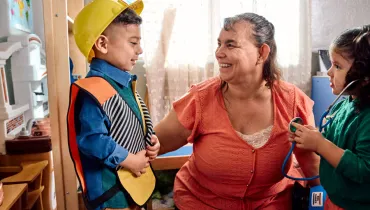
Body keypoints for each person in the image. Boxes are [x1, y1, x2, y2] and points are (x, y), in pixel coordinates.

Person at [154, 12, 319, 210]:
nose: (219, 53)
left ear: (262, 53)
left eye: (230, 44)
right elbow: (152, 144)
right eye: (219, 43)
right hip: (202, 203)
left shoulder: (293, 101)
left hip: (271, 204)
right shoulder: (200, 99)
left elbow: (311, 165)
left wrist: (325, 200)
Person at [66, 0, 160, 209]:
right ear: (102, 44)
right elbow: (91, 140)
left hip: (130, 188)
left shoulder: (123, 83)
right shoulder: (94, 90)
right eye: (133, 43)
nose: (140, 50)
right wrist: (129, 160)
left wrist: (152, 142)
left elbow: (132, 120)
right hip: (111, 194)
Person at [290, 25, 370, 210]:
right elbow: (334, 145)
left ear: (364, 77)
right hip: (334, 199)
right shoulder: (345, 104)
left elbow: (364, 169)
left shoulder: (367, 118)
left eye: (338, 66)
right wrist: (312, 137)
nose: (329, 72)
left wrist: (320, 144)